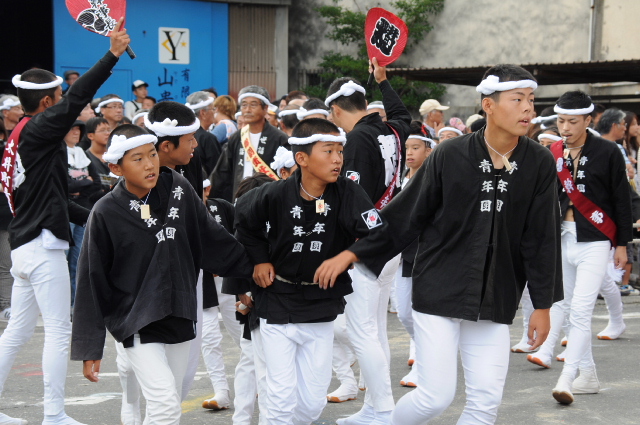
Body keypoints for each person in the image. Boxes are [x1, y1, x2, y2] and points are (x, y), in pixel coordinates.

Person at [315, 64, 563, 424]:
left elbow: (542, 237)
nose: (528, 108)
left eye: (530, 99)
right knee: (435, 397)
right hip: (439, 289)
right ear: (489, 105)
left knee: (485, 403)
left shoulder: (539, 162)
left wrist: (542, 305)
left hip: (495, 295)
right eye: (517, 99)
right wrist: (353, 253)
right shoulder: (450, 155)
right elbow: (406, 214)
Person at [70, 123, 252, 425]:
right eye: (138, 158)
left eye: (152, 154)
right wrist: (90, 345)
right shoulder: (105, 212)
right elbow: (91, 279)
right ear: (116, 167)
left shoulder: (179, 187)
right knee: (165, 404)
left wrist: (251, 273)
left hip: (179, 311)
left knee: (171, 402)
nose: (149, 164)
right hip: (136, 318)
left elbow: (212, 238)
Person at [0, 19, 130, 425]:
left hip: (25, 245)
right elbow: (79, 97)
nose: (65, 106)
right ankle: (54, 415)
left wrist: (98, 217)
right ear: (46, 103)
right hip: (42, 246)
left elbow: (55, 200)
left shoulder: (20, 134)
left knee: (16, 333)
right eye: (58, 99)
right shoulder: (39, 130)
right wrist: (112, 54)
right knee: (58, 331)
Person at [234, 117, 388, 425]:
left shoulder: (348, 193)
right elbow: (243, 220)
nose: (337, 159)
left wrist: (348, 255)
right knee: (280, 395)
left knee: (312, 402)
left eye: (340, 151)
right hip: (276, 300)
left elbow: (380, 233)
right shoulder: (273, 194)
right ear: (302, 158)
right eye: (328, 151)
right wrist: (260, 260)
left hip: (320, 304)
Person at [528, 92, 631, 405]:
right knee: (566, 306)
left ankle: (567, 377)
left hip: (596, 240)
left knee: (582, 311)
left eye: (572, 122)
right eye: (561, 121)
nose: (565, 128)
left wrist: (622, 244)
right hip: (562, 237)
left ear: (588, 120)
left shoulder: (608, 152)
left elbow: (621, 199)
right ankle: (587, 375)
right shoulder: (552, 152)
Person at [325, 58, 410, 425]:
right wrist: (383, 81)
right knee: (374, 330)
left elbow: (353, 197)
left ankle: (383, 410)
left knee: (363, 332)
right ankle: (375, 405)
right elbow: (403, 115)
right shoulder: (391, 130)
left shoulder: (357, 139)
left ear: (335, 109)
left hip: (366, 244)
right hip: (391, 240)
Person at [394, 121, 435, 388]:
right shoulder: (398, 178)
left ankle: (423, 365)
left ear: (428, 151)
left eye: (416, 147)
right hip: (400, 253)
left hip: (425, 252)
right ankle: (424, 352)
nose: (409, 153)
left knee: (420, 312)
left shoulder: (433, 178)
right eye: (407, 148)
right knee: (403, 313)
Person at [210, 85, 288, 201]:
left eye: (253, 105)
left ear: (265, 108)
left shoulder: (279, 138)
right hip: (240, 200)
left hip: (269, 199)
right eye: (244, 105)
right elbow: (222, 173)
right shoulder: (237, 137)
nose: (247, 110)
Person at [64, 120, 102, 308]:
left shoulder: (82, 154)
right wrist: (84, 181)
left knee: (78, 261)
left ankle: (76, 304)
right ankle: (64, 302)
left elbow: (97, 183)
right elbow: (65, 186)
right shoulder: (59, 153)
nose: (75, 133)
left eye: (78, 130)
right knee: (63, 260)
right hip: (66, 212)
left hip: (83, 209)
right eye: (71, 129)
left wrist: (79, 187)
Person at [186, 91, 222, 176]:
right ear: (203, 113)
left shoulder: (185, 135)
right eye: (213, 109)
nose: (214, 112)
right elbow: (217, 171)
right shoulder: (207, 138)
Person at [84, 117, 113, 191]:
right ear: (90, 136)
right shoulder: (85, 158)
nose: (108, 133)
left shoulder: (116, 155)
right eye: (102, 130)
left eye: (109, 130)